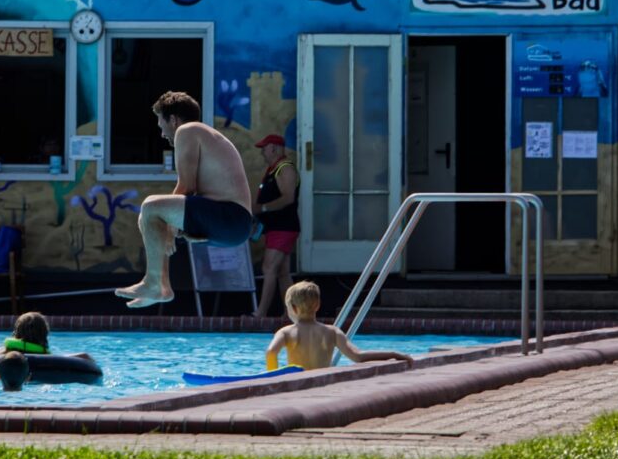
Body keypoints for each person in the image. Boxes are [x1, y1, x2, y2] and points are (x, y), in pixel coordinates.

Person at [115, 91, 252, 308]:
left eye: (161, 125)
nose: (161, 133)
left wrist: (171, 225)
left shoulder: (187, 130)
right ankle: (162, 287)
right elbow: (189, 192)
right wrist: (170, 226)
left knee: (151, 206)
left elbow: (187, 187)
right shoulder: (204, 135)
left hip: (230, 217)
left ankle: (152, 282)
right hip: (231, 224)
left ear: (174, 119)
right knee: (147, 218)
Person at [266, 281, 414, 371]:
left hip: (297, 384)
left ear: (293, 307)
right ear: (318, 305)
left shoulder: (285, 333)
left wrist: (272, 378)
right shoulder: (332, 332)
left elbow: (271, 352)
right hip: (321, 384)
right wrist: (394, 354)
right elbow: (358, 357)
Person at [249, 134, 300, 318]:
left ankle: (261, 313)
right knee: (282, 273)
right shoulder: (272, 169)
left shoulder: (285, 169)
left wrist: (262, 207)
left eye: (264, 148)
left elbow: (288, 198)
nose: (262, 152)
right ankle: (291, 314)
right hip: (275, 228)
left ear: (275, 148)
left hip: (284, 228)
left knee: (268, 268)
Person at [0, 310, 96, 363]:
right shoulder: (47, 359)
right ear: (44, 334)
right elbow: (85, 357)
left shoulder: (3, 354)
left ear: (17, 333)